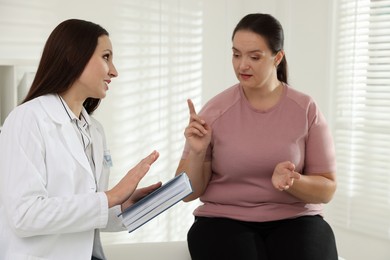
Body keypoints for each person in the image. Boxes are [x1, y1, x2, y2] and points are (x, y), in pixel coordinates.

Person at [176, 13, 338, 260]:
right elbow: (187, 193)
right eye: (236, 54)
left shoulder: (305, 109)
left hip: (296, 219)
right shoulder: (215, 111)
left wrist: (293, 182)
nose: (242, 65)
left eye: (254, 56)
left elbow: (326, 188)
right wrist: (197, 152)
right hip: (223, 220)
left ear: (278, 57)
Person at [0, 19, 161, 260]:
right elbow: (24, 215)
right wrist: (109, 197)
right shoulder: (27, 119)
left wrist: (122, 206)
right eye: (106, 57)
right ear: (75, 57)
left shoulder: (94, 130)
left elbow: (85, 213)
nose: (114, 71)